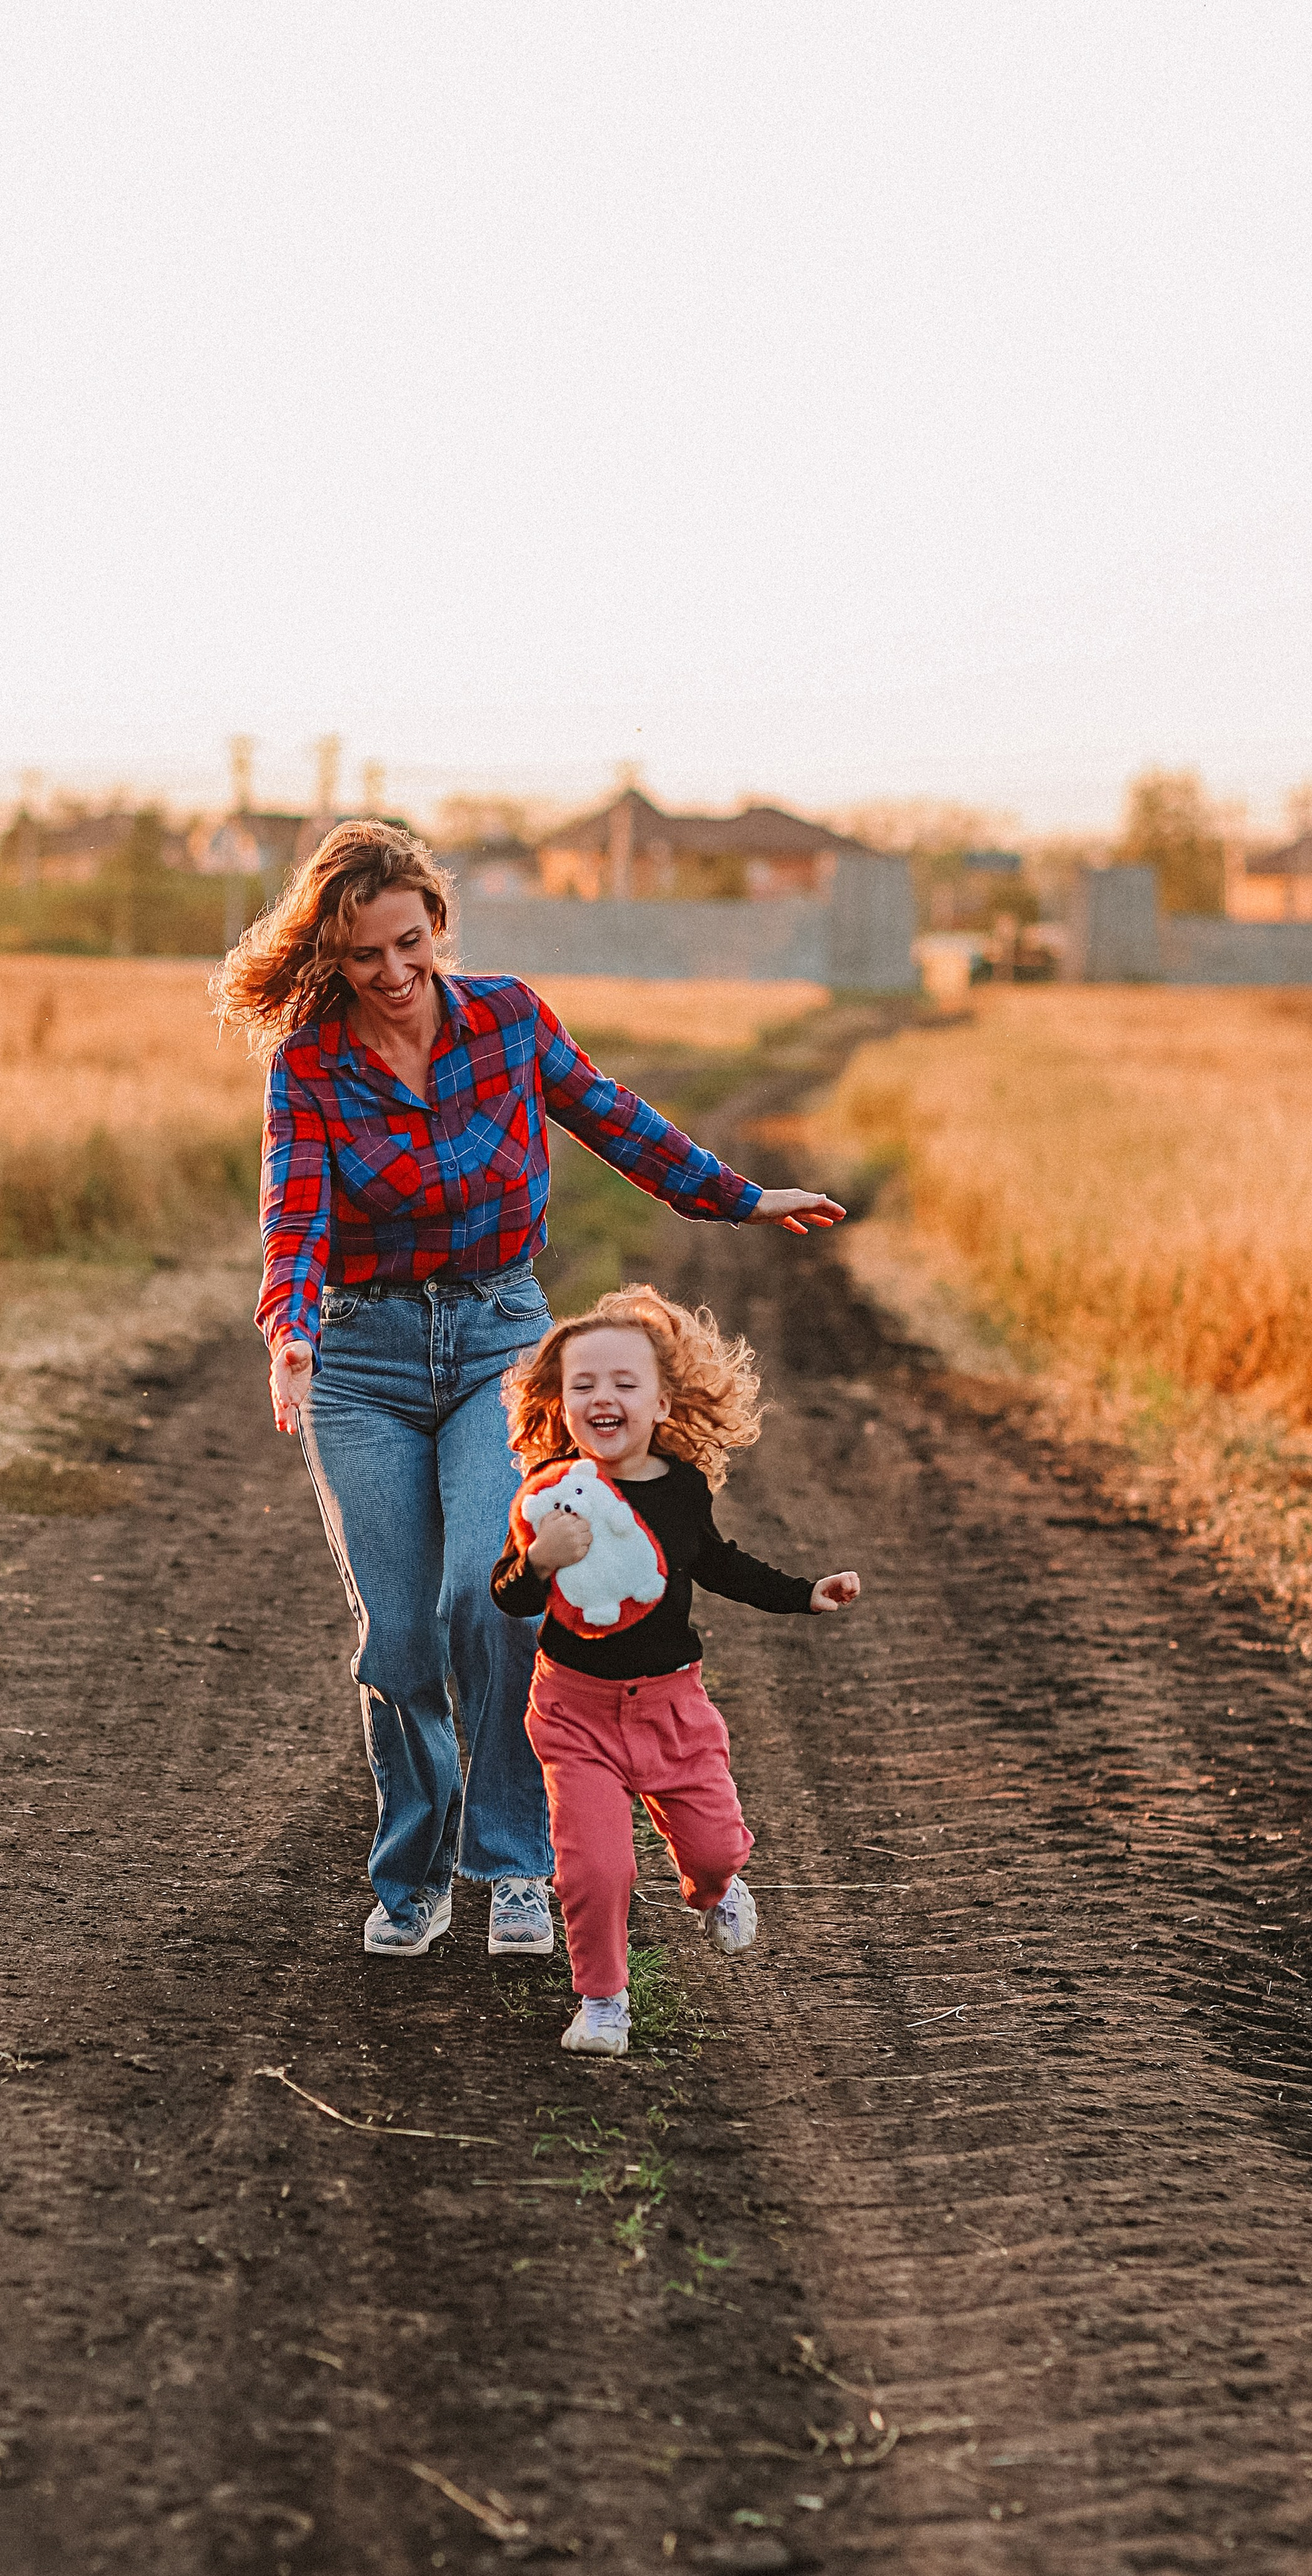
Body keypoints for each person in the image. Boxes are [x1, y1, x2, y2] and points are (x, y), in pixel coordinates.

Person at [213, 820, 846, 1960]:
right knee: (400, 1636)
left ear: (439, 926)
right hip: (361, 1359)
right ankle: (411, 1872)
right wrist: (290, 1335)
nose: (394, 974)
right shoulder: (309, 1062)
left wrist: (737, 1197)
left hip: (502, 1341)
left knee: (488, 1599)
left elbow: (614, 1119)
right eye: (365, 957)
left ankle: (506, 1861)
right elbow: (295, 1216)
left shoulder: (506, 1019)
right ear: (333, 957)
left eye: (410, 943)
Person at [492, 1285, 860, 2056]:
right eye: (582, 1385)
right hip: (573, 1712)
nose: (603, 1397)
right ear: (558, 1404)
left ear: (662, 1405)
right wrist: (536, 1563)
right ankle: (601, 2003)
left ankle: (715, 1889)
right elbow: (505, 1593)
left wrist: (802, 1595)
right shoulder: (550, 1496)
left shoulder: (683, 1490)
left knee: (718, 1848)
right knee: (596, 1868)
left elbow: (719, 1564)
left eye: (624, 1384)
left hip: (670, 1709)